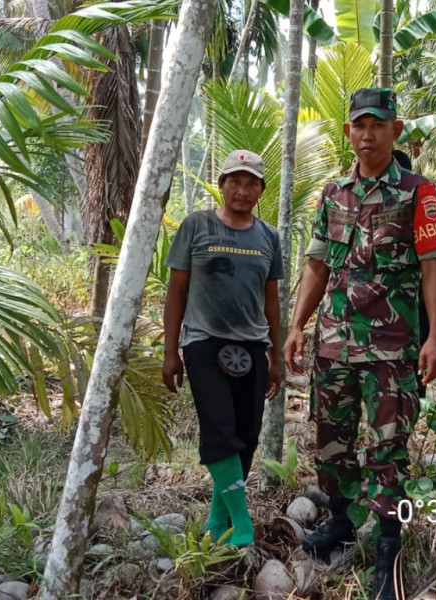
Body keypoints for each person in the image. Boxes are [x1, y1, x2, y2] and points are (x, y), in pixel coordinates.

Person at [283, 88, 436, 600]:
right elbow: (317, 265)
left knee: (388, 451)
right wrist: (296, 327)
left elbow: (432, 266)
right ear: (348, 131)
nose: (367, 134)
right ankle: (342, 520)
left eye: (378, 124)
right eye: (359, 124)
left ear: (395, 130)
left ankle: (388, 546)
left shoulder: (419, 193)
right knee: (332, 444)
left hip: (392, 348)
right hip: (334, 344)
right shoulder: (332, 194)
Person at [161, 149, 283, 548]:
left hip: (252, 344)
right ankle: (243, 525)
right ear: (222, 184)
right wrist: (170, 351)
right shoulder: (196, 226)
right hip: (203, 342)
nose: (242, 190)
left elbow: (272, 301)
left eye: (251, 184)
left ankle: (217, 521)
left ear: (261, 190)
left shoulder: (268, 237)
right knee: (219, 428)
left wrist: (276, 355)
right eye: (235, 181)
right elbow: (175, 291)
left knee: (246, 434)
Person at [391, 149, 436, 399]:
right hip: (363, 330)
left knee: (408, 395)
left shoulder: (423, 202)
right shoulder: (353, 201)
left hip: (414, 321)